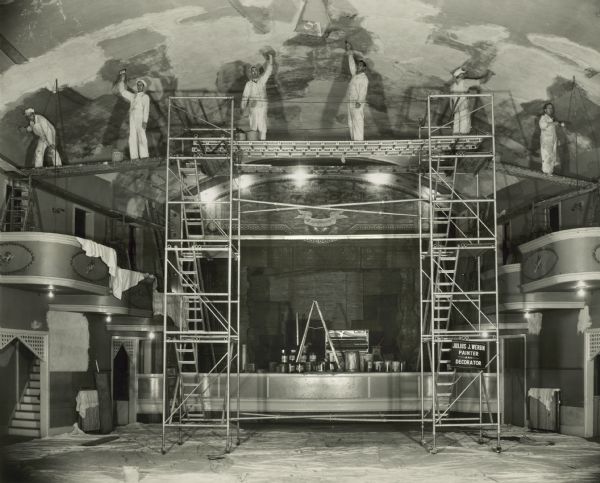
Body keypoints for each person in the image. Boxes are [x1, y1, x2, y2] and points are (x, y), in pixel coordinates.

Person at [115, 69, 150, 159]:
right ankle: (134, 157)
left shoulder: (145, 97)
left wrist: (145, 121)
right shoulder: (133, 96)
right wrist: (122, 79)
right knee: (132, 136)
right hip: (132, 117)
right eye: (138, 85)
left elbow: (146, 109)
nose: (139, 86)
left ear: (144, 86)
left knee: (141, 135)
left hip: (140, 117)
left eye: (141, 85)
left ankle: (144, 155)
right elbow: (123, 92)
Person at [449, 67, 491, 135]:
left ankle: (455, 141)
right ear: (460, 75)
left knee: (456, 129)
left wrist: (452, 110)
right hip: (463, 109)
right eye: (463, 74)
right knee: (464, 128)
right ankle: (461, 141)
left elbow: (451, 100)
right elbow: (481, 81)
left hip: (456, 110)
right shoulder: (465, 82)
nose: (465, 75)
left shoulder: (452, 86)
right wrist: (489, 74)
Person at [241, 53, 273, 140]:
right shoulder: (248, 84)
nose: (254, 72)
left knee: (262, 121)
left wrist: (270, 60)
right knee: (253, 122)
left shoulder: (262, 80)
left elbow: (268, 72)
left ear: (258, 72)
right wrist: (243, 108)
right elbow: (245, 97)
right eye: (252, 71)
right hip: (253, 106)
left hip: (262, 105)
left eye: (256, 71)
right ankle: (254, 138)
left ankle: (263, 139)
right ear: (251, 73)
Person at [345, 41, 369, 141]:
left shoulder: (364, 78)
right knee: (350, 122)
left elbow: (363, 91)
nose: (358, 67)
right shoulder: (355, 76)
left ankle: (358, 142)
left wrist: (359, 102)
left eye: (360, 66)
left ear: (364, 68)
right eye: (358, 65)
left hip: (357, 103)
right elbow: (352, 66)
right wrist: (349, 52)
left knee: (358, 121)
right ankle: (353, 140)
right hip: (351, 101)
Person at [539, 102, 564, 175]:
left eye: (551, 108)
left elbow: (553, 130)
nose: (551, 109)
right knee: (547, 155)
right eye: (549, 108)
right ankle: (546, 172)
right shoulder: (543, 118)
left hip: (552, 140)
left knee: (552, 155)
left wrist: (559, 124)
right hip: (546, 140)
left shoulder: (551, 118)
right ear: (545, 110)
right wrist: (553, 123)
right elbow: (542, 126)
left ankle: (550, 171)